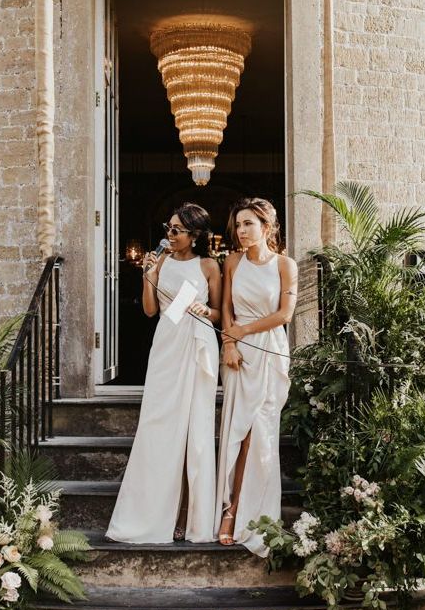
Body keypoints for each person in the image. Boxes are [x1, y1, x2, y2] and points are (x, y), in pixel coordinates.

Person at [106, 203, 221, 543]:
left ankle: (188, 514)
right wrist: (148, 275)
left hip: (197, 343)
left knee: (195, 430)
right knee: (158, 427)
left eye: (176, 230)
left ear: (195, 235)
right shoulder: (162, 262)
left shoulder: (209, 265)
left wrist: (204, 309)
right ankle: (152, 512)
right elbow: (150, 310)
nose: (168, 235)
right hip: (166, 345)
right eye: (167, 228)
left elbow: (218, 313)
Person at [215, 198, 298, 554]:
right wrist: (229, 345)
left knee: (259, 434)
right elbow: (225, 310)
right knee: (236, 430)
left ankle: (242, 514)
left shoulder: (285, 264)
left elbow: (284, 314)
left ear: (267, 227)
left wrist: (242, 332)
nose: (241, 231)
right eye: (237, 225)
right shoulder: (232, 261)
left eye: (248, 224)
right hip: (237, 354)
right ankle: (227, 506)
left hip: (269, 351)